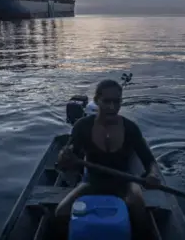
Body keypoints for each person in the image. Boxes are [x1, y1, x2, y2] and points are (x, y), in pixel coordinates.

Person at [55, 79, 161, 239]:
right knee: (61, 212)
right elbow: (65, 162)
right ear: (97, 100)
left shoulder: (131, 128)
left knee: (138, 208)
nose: (112, 107)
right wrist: (64, 157)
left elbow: (150, 161)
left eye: (116, 102)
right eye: (106, 101)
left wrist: (153, 175)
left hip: (125, 182)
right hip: (92, 182)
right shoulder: (82, 126)